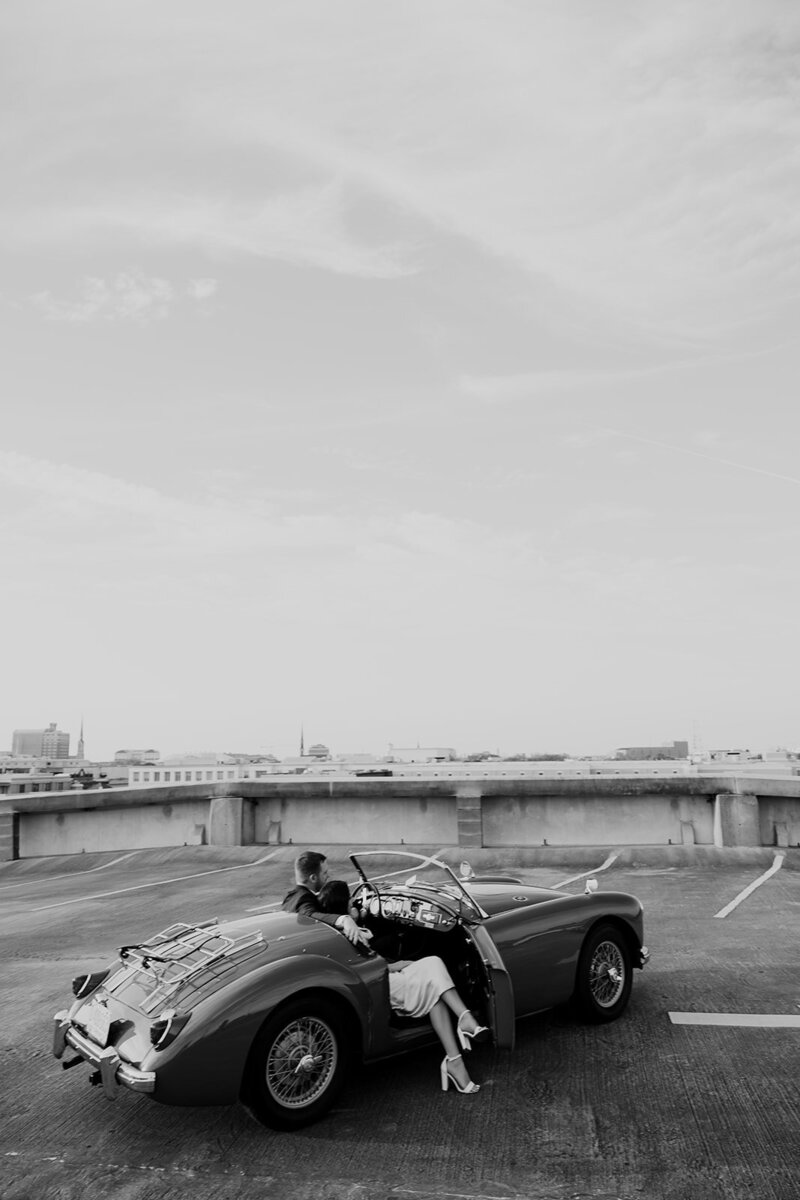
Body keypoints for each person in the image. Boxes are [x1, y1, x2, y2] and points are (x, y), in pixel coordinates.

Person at [317, 879, 488, 1095]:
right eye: (351, 902)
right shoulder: (349, 930)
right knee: (434, 964)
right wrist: (395, 965)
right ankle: (465, 1018)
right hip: (382, 984)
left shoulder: (342, 926)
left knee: (434, 991)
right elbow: (360, 967)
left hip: (383, 977)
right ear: (341, 907)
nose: (356, 904)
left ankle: (455, 1061)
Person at [281, 850, 371, 947]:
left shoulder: (290, 897)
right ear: (313, 878)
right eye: (324, 873)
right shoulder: (305, 898)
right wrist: (344, 919)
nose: (328, 876)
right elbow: (308, 914)